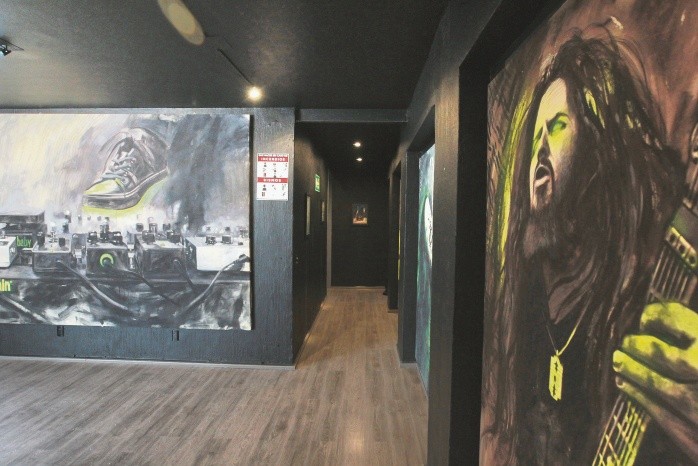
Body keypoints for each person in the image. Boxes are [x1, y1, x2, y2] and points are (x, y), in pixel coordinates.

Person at [481, 30, 698, 464]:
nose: (540, 149)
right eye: (535, 137)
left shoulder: (641, 290)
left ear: (597, 150)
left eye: (558, 126)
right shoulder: (529, 300)